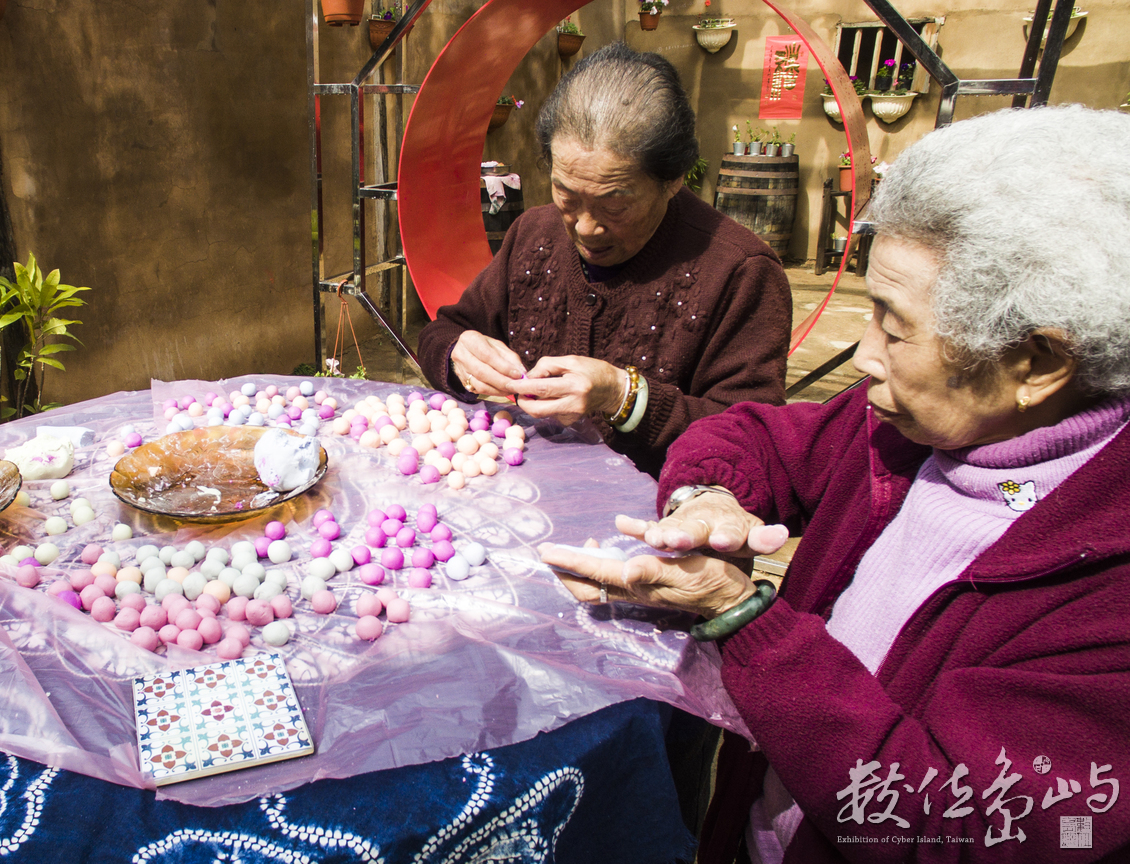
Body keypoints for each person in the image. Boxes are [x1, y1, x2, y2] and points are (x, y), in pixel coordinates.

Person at [542, 104, 1130, 862]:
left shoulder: (1105, 589)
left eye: (894, 324)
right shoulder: (922, 424)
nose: (864, 355)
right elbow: (753, 436)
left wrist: (740, 619)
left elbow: (952, 829)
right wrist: (706, 499)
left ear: (1038, 363)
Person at [417, 42, 791, 476]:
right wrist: (457, 355)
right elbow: (444, 331)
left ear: (672, 180)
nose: (585, 227)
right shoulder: (533, 234)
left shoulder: (740, 272)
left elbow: (754, 443)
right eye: (566, 196)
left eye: (614, 205)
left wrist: (623, 396)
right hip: (523, 496)